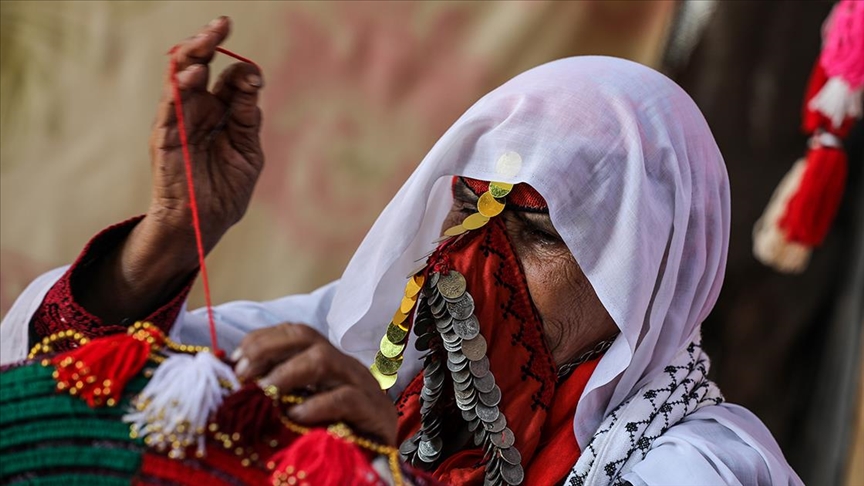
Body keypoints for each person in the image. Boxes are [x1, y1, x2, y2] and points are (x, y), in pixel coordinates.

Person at [1, 17, 802, 485]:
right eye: (465, 205)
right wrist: (169, 238)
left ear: (649, 282)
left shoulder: (696, 465)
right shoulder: (372, 351)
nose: (473, 261)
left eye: (538, 233)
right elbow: (59, 401)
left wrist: (387, 472)